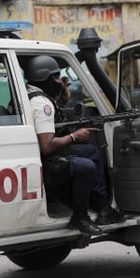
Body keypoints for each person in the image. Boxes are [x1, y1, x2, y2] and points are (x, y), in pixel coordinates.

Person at [23, 55, 125, 235]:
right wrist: (74, 136)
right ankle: (80, 216)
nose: (59, 82)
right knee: (86, 166)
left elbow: (49, 121)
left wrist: (63, 99)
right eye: (56, 78)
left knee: (92, 152)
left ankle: (102, 207)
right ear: (44, 78)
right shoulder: (41, 103)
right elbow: (47, 146)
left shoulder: (30, 94)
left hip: (42, 156)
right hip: (47, 162)